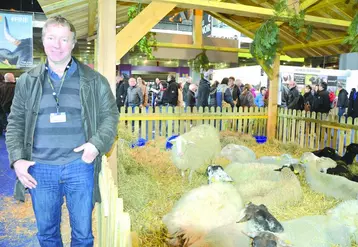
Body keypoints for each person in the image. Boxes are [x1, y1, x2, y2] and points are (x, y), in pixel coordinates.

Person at [5, 16, 119, 246]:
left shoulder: (94, 80)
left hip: (80, 166)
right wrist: (17, 159)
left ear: (73, 42)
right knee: (47, 235)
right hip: (40, 169)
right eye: (51, 38)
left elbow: (110, 116)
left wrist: (96, 145)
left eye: (64, 39)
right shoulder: (28, 80)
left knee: (83, 235)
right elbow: (15, 122)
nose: (57, 45)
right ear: (43, 41)